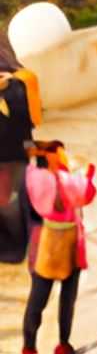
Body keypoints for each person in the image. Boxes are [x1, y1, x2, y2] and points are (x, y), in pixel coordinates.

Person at [23, 140, 97, 354]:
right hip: (71, 247)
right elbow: (88, 192)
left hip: (43, 247)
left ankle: (29, 347)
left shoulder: (33, 177)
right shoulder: (68, 180)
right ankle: (63, 344)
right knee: (66, 301)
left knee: (37, 302)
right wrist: (89, 174)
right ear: (56, 155)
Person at [0, 32, 39, 265]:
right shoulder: (24, 80)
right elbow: (32, 122)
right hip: (21, 154)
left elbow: (28, 121)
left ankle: (13, 250)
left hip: (8, 158)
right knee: (19, 199)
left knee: (8, 204)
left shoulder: (18, 85)